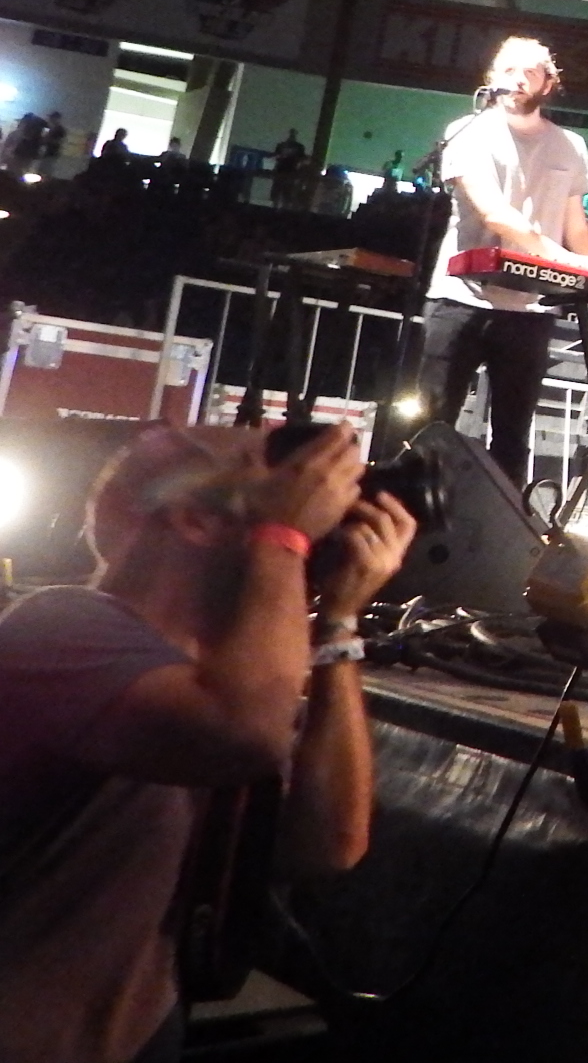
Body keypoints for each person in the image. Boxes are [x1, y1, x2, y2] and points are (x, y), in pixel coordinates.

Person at [0, 422, 417, 1063]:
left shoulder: (225, 676)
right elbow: (243, 733)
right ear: (195, 518)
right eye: (276, 473)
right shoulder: (58, 628)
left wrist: (338, 622)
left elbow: (326, 844)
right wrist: (284, 536)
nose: (313, 491)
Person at [416, 37, 588, 485]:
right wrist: (562, 258)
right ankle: (409, 513)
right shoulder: (468, 132)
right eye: (508, 70)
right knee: (430, 425)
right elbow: (494, 213)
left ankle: (503, 520)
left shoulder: (570, 146)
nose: (518, 80)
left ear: (548, 84)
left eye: (530, 72)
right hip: (459, 299)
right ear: (491, 77)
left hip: (529, 309)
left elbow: (575, 224)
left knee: (512, 436)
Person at [268, 129, 305, 204]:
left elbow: (302, 158)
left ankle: (280, 203)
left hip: (289, 170)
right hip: (283, 169)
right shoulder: (284, 146)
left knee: (286, 190)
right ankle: (277, 203)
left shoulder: (298, 147)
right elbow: (276, 156)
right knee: (280, 189)